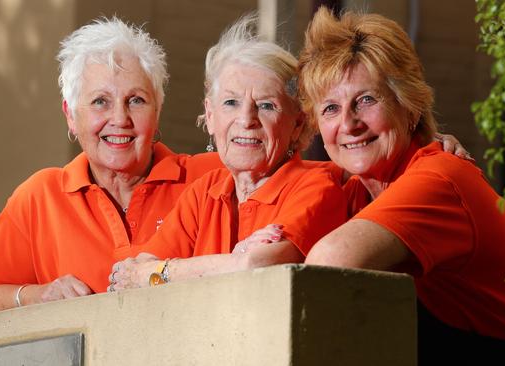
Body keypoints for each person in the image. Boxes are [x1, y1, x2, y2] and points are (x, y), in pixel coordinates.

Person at [298, 8, 505, 364]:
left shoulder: (439, 178)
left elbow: (329, 266)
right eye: (330, 108)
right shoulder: (357, 192)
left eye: (366, 100)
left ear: (409, 107)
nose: (349, 123)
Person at [0, 18, 224, 316]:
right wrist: (36, 295)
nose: (120, 118)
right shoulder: (39, 198)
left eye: (136, 100)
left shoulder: (212, 177)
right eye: (100, 101)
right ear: (71, 115)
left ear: (157, 111)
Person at [109, 15, 347, 289]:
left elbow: (258, 267)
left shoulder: (317, 188)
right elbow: (133, 274)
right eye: (231, 103)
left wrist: (162, 272)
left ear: (297, 124)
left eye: (267, 106)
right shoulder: (203, 193)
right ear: (210, 116)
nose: (246, 120)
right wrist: (232, 261)